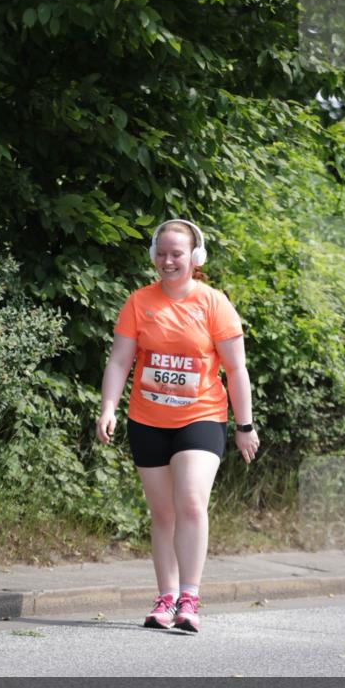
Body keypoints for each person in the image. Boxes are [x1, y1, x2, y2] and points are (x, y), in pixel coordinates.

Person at [96, 218, 259, 633]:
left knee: (189, 502)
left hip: (201, 416)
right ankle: (165, 598)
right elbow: (119, 361)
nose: (168, 261)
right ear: (154, 255)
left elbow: (236, 369)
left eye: (177, 254)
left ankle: (190, 598)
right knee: (162, 512)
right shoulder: (139, 302)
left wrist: (245, 424)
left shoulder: (214, 303)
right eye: (162, 253)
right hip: (147, 419)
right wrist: (108, 408)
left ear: (195, 258)